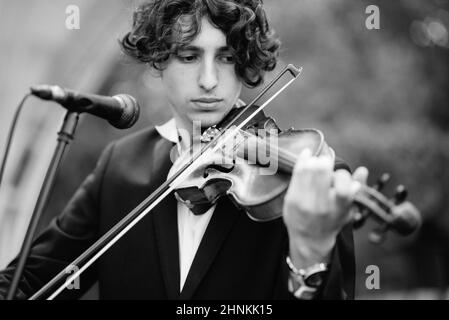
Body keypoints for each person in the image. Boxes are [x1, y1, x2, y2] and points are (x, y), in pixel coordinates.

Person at [0, 0, 367, 300]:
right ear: (158, 60)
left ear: (245, 63)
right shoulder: (120, 166)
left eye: (225, 57)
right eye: (189, 56)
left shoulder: (307, 184)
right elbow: (26, 283)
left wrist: (310, 252)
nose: (208, 81)